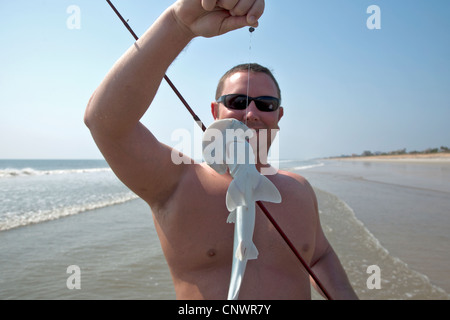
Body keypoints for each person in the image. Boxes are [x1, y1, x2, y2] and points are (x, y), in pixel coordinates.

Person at [84, 0, 358, 300]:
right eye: (238, 102)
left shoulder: (300, 189)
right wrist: (179, 24)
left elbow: (318, 257)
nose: (251, 113)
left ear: (278, 116)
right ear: (216, 111)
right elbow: (106, 123)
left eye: (265, 104)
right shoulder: (177, 182)